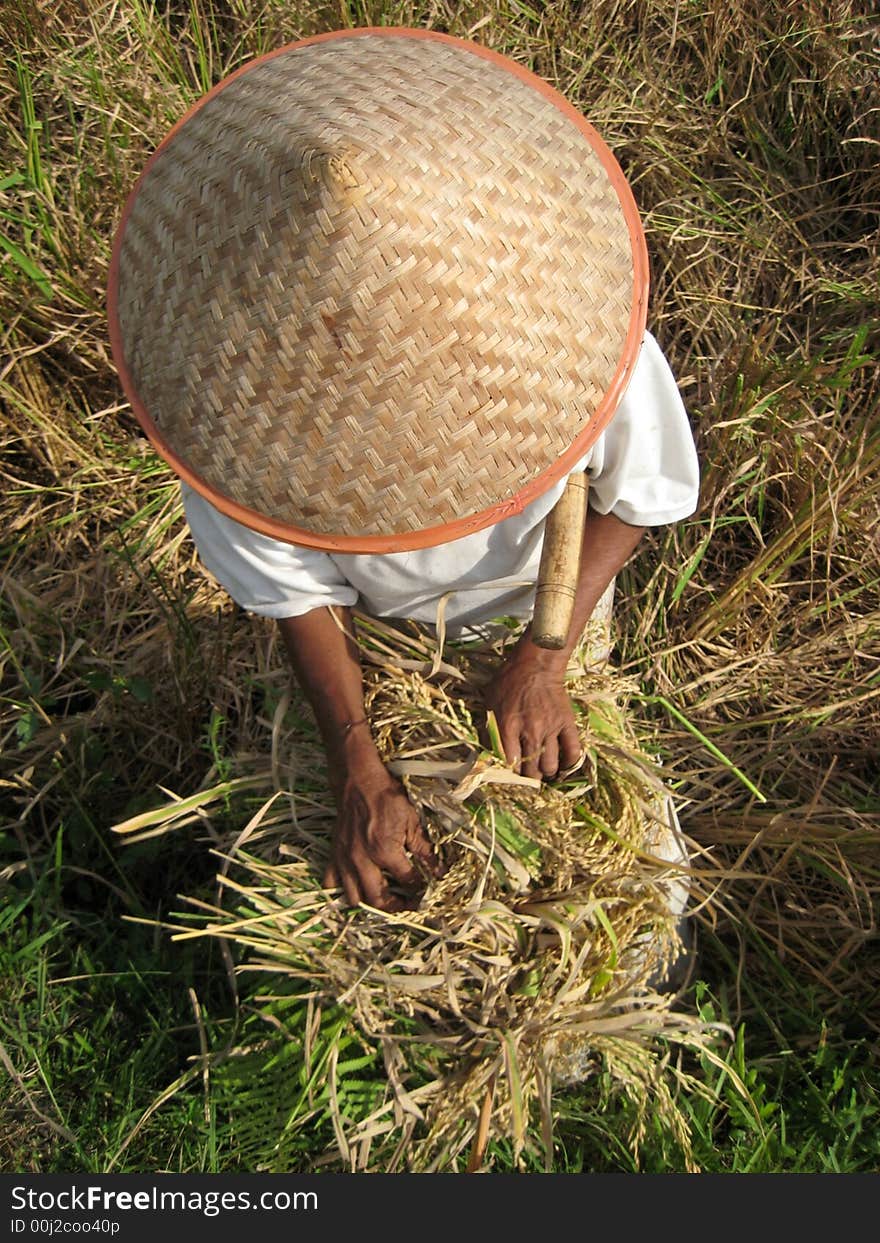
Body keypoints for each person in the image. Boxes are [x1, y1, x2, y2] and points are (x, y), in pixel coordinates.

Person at [107, 28, 700, 912]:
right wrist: (358, 762)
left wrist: (546, 655)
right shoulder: (225, 409)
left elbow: (640, 494)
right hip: (372, 641)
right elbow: (299, 594)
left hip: (548, 603)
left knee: (598, 861)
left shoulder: (570, 329)